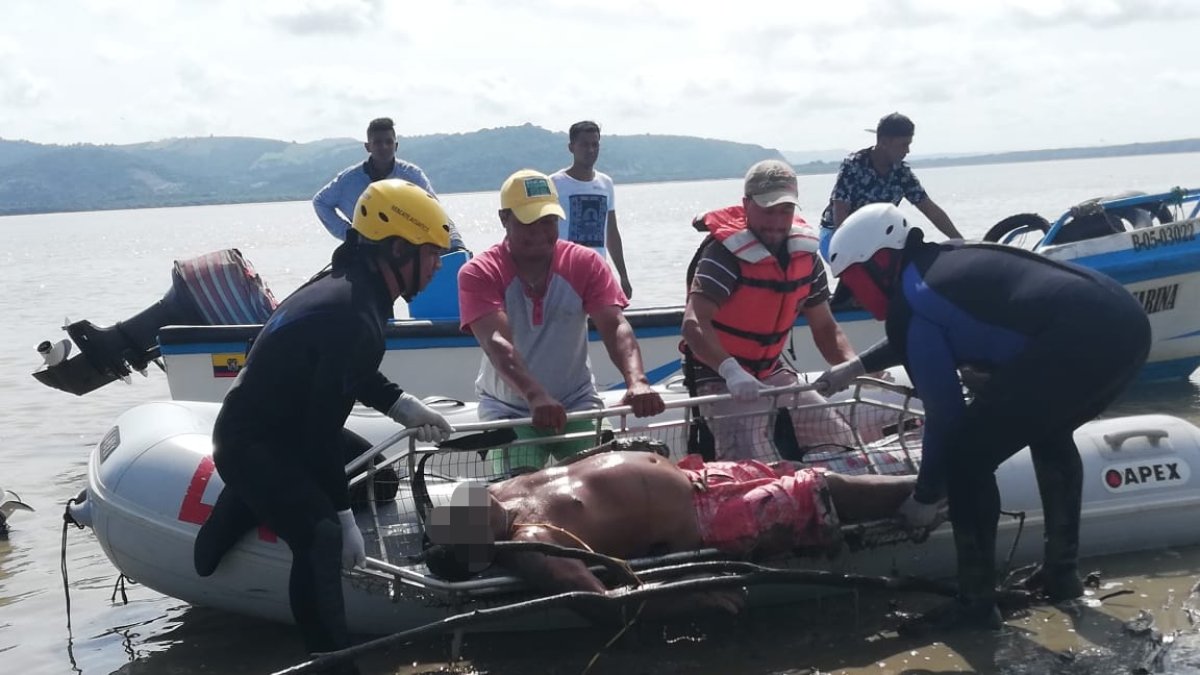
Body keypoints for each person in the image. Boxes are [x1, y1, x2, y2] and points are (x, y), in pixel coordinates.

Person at [816, 203, 1150, 628]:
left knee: (966, 457)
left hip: (1075, 337)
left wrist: (926, 495)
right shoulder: (942, 260)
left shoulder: (913, 299)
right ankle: (1061, 574)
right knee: (1049, 430)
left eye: (855, 282)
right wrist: (855, 367)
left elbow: (945, 414)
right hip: (1126, 324)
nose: (855, 295)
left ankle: (975, 603)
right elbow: (929, 322)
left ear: (881, 262)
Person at [193, 179, 457, 668]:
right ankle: (330, 663)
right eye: (432, 253)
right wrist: (339, 517)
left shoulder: (350, 285)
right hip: (251, 443)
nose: (439, 264)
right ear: (398, 249)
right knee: (320, 538)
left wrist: (402, 405)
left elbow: (340, 370)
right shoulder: (353, 313)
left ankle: (248, 501)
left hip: (286, 425)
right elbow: (320, 432)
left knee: (381, 480)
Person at [424, 442, 918, 618]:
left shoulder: (501, 492)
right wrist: (686, 596)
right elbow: (601, 603)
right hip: (703, 519)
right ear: (482, 545)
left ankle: (928, 484)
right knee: (819, 490)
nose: (473, 501)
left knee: (795, 472)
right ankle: (931, 490)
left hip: (698, 475)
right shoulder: (530, 545)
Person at [457, 169, 664, 473]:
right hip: (510, 411)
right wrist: (535, 395)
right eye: (528, 222)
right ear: (504, 218)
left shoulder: (586, 263)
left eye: (548, 221)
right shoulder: (479, 272)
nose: (539, 232)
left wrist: (637, 380)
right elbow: (496, 342)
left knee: (609, 482)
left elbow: (615, 325)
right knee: (521, 488)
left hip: (578, 404)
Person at [681, 159, 859, 461]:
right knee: (750, 454)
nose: (776, 221)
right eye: (767, 210)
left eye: (785, 210)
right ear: (746, 205)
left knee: (837, 434)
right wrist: (731, 371)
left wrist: (855, 366)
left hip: (771, 370)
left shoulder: (806, 256)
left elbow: (825, 327)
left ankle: (824, 486)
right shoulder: (723, 255)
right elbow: (694, 323)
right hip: (717, 372)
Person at [817, 112, 961, 259]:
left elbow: (931, 210)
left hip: (875, 237)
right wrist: (848, 250)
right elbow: (840, 210)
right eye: (903, 145)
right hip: (835, 234)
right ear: (884, 142)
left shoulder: (902, 173)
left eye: (909, 144)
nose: (907, 151)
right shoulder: (853, 165)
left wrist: (960, 241)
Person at [313, 117, 464, 250]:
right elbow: (320, 202)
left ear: (396, 146)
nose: (383, 147)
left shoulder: (412, 175)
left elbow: (437, 213)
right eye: (377, 142)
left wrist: (456, 244)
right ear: (368, 146)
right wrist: (350, 234)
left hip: (408, 250)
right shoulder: (348, 180)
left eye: (388, 142)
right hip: (368, 251)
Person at [550, 120, 633, 299]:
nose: (590, 150)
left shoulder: (605, 183)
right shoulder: (555, 183)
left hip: (597, 272)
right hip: (564, 274)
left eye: (595, 145)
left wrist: (623, 275)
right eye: (584, 145)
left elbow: (611, 232)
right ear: (571, 147)